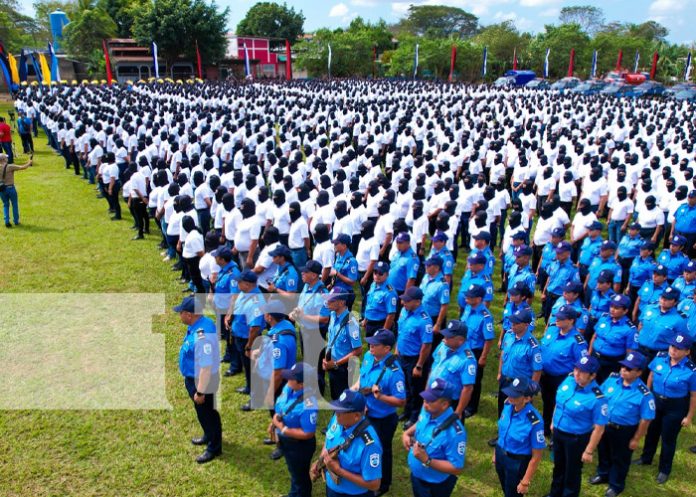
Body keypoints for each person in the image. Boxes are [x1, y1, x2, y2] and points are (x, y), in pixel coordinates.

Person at [634, 334, 696, 484]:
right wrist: (647, 395)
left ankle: (664, 469)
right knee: (652, 431)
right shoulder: (660, 357)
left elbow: (694, 396)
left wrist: (689, 416)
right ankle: (646, 458)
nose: (674, 350)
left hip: (675, 407)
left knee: (668, 438)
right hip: (656, 401)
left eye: (679, 348)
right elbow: (651, 376)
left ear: (687, 352)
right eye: (672, 346)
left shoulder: (691, 371)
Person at [591, 352, 655, 497]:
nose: (623, 370)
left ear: (639, 372)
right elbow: (600, 397)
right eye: (623, 366)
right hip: (604, 425)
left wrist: (636, 438)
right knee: (603, 451)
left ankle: (616, 485)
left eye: (628, 368)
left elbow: (646, 419)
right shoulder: (612, 379)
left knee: (620, 458)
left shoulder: (644, 394)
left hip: (624, 431)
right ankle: (603, 473)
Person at [548, 356, 608, 497]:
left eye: (582, 372)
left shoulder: (597, 398)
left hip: (575, 439)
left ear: (592, 376)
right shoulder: (569, 380)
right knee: (559, 466)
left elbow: (600, 428)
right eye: (576, 369)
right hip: (558, 432)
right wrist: (552, 421)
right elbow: (559, 401)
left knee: (572, 472)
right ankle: (555, 493)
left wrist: (589, 451)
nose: (577, 373)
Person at [356, 329, 406, 496]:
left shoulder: (394, 372)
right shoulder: (369, 357)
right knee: (365, 446)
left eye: (375, 344)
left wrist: (381, 396)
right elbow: (362, 379)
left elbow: (401, 400)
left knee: (382, 450)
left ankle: (383, 484)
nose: (371, 346)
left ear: (386, 348)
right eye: (370, 342)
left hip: (382, 420)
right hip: (365, 413)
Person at [174, 296, 222, 464]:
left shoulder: (202, 336)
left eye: (181, 313)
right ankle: (209, 435)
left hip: (202, 381)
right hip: (195, 378)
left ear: (188, 314)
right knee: (204, 413)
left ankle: (214, 447)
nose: (179, 315)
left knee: (208, 413)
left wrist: (200, 391)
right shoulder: (200, 324)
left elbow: (206, 367)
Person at [401, 378, 467, 497]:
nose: (425, 403)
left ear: (444, 404)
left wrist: (427, 460)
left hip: (434, 486)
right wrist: (407, 434)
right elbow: (420, 422)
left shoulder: (454, 433)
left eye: (430, 400)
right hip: (417, 477)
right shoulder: (429, 411)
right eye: (425, 398)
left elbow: (456, 468)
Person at [313, 389, 383, 497]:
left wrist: (339, 471)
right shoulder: (337, 419)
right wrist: (321, 458)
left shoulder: (370, 444)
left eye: (342, 410)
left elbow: (374, 484)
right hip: (332, 489)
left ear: (356, 415)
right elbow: (329, 438)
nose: (336, 412)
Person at [540, 305, 589, 437]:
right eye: (557, 317)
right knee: (547, 402)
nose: (557, 319)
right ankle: (545, 428)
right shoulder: (552, 331)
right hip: (545, 376)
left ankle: (556, 432)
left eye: (561, 318)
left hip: (562, 379)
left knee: (560, 406)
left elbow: (582, 363)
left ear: (571, 321)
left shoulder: (577, 342)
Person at [494, 377, 545, 497]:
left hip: (517, 463)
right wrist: (496, 453)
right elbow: (502, 431)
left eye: (515, 395)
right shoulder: (508, 406)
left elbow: (536, 456)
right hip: (501, 455)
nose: (510, 396)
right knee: (506, 489)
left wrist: (525, 481)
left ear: (527, 398)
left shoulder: (535, 422)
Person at [272, 363, 318, 497]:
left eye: (291, 378)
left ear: (302, 384)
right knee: (294, 473)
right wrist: (274, 420)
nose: (287, 379)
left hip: (299, 447)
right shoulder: (289, 388)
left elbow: (308, 433)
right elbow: (281, 406)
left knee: (301, 476)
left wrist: (283, 429)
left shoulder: (308, 405)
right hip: (287, 442)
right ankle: (294, 493)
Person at [395, 286, 433, 427]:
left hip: (415, 359)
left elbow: (426, 345)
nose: (404, 303)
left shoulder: (424, 320)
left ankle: (415, 416)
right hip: (402, 356)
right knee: (406, 386)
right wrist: (397, 350)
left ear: (417, 302)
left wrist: (419, 365)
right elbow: (400, 332)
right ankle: (407, 410)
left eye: (407, 301)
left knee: (416, 388)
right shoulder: (404, 312)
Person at [428, 319, 477, 422]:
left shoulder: (467, 360)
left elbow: (467, 389)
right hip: (433, 394)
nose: (444, 338)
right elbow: (433, 368)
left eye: (448, 336)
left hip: (450, 403)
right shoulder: (443, 345)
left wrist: (457, 412)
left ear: (460, 340)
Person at [224, 269, 264, 393]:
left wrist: (249, 346)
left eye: (239, 282)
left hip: (248, 338)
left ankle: (253, 389)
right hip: (239, 334)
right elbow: (236, 302)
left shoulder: (256, 301)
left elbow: (255, 328)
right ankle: (249, 386)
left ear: (247, 284)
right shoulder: (244, 292)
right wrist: (230, 315)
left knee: (251, 365)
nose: (237, 284)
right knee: (246, 364)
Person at [460, 284, 495, 417]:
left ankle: (471, 406)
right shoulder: (468, 308)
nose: (467, 298)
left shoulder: (486, 317)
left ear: (479, 298)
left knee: (473, 379)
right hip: (464, 348)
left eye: (470, 297)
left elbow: (488, 339)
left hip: (476, 351)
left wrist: (483, 357)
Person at [590, 294, 639, 384]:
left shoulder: (630, 329)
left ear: (625, 311)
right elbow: (594, 337)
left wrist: (624, 368)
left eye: (616, 308)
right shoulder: (604, 318)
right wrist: (589, 355)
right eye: (611, 306)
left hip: (611, 363)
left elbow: (630, 352)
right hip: (594, 357)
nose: (612, 309)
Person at [324, 287, 362, 400]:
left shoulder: (351, 323)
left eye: (332, 300)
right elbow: (331, 339)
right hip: (332, 365)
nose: (328, 302)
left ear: (341, 302)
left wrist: (336, 363)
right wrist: (327, 360)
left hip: (344, 369)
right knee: (335, 398)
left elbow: (358, 350)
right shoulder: (332, 315)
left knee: (344, 400)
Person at [541, 240, 579, 322]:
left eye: (560, 253)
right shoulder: (554, 263)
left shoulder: (573, 269)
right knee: (547, 316)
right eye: (557, 252)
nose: (557, 255)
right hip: (549, 295)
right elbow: (549, 278)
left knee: (557, 320)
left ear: (568, 253)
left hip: (561, 298)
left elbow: (574, 287)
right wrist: (544, 292)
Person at [419, 256, 450, 351]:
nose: (426, 267)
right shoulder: (426, 276)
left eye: (429, 265)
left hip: (434, 318)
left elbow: (444, 306)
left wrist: (438, 324)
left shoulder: (442, 285)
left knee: (432, 346)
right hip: (422, 315)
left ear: (437, 268)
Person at [362, 261, 398, 337]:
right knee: (371, 347)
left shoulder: (389, 292)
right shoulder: (373, 284)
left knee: (378, 348)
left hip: (380, 325)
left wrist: (383, 332)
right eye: (375, 272)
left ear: (387, 275)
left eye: (380, 273)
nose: (377, 275)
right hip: (370, 323)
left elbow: (391, 315)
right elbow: (369, 304)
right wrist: (366, 319)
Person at [0, 153, 31, 228]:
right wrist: (29, 162)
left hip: (1, 189)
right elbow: (23, 167)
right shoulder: (10, 166)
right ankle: (16, 221)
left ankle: (6, 221)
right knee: (14, 205)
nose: (7, 158)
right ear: (4, 159)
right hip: (11, 188)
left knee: (5, 205)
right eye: (6, 157)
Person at [671, 190, 696, 259]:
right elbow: (675, 220)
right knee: (674, 251)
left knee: (687, 254)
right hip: (678, 233)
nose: (690, 199)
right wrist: (671, 233)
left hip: (690, 236)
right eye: (689, 197)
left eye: (692, 197)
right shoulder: (682, 207)